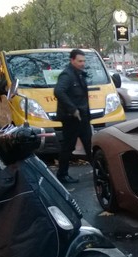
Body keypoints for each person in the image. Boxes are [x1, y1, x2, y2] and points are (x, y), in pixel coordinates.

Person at [54, 49, 92, 184]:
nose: (83, 63)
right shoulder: (67, 75)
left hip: (83, 117)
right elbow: (58, 91)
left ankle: (99, 170)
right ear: (72, 60)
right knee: (68, 147)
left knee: (89, 144)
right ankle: (62, 174)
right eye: (80, 61)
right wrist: (73, 109)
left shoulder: (79, 74)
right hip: (71, 118)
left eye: (84, 61)